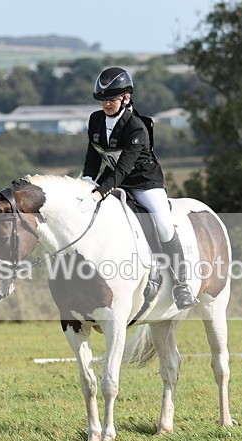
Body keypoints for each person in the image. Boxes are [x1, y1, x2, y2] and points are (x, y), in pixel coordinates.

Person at [77, 66, 198, 309]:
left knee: (163, 225)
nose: (106, 104)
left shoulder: (136, 127)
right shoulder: (95, 120)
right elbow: (93, 157)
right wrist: (87, 181)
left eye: (112, 99)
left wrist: (100, 192)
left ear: (125, 97)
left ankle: (181, 283)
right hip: (115, 179)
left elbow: (122, 168)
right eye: (102, 100)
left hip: (144, 183)